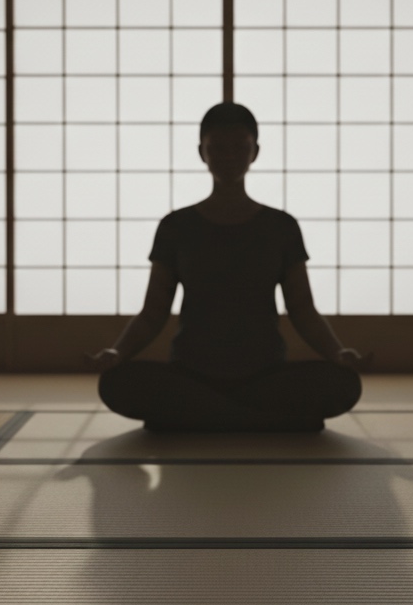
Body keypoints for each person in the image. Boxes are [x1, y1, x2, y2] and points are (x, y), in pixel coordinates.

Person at [85, 102, 373, 433]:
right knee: (117, 383)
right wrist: (117, 352)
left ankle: (204, 417)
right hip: (192, 373)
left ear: (256, 151)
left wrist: (337, 354)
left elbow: (303, 309)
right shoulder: (176, 226)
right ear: (201, 152)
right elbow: (152, 313)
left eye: (240, 147)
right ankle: (257, 418)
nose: (229, 155)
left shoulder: (281, 227)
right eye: (217, 147)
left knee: (343, 384)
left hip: (264, 373)